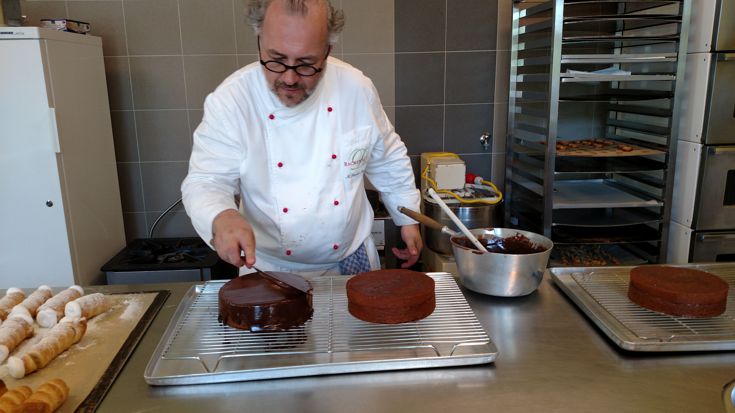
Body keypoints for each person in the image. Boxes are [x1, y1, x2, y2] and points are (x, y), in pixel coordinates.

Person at [181, 0, 422, 277]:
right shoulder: (232, 100)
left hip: (349, 259)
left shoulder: (355, 88)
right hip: (270, 268)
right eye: (276, 60)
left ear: (327, 51)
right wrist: (222, 215)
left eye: (306, 64)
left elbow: (387, 156)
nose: (290, 78)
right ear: (259, 40)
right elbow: (206, 180)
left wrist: (407, 217)